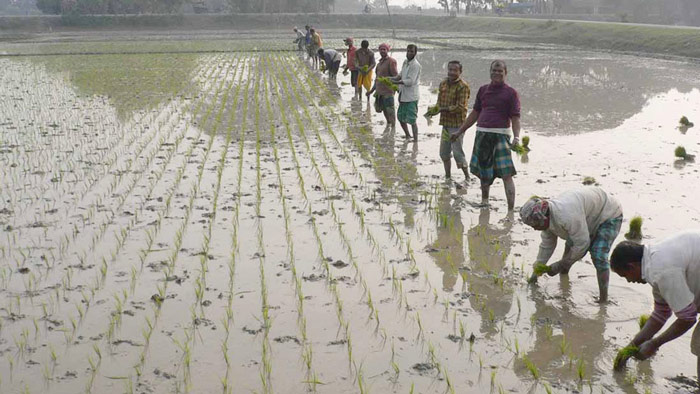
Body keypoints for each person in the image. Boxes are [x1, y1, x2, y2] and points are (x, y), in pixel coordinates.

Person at [611, 232, 700, 383]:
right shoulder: (653, 260)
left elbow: (687, 318)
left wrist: (654, 343)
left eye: (625, 276)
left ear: (631, 267)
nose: (629, 281)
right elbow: (661, 314)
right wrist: (630, 347)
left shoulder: (661, 270)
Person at [519, 187, 623, 302]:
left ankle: (603, 300)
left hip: (609, 214)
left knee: (598, 255)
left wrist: (559, 264)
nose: (534, 229)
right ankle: (564, 281)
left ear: (544, 218)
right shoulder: (547, 219)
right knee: (570, 247)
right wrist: (535, 275)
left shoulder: (567, 216)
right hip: (587, 216)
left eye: (535, 225)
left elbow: (582, 245)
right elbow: (547, 246)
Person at [456, 60, 520, 210]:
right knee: (484, 173)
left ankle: (511, 209)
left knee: (506, 173)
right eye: (494, 70)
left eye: (500, 71)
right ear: (490, 72)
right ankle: (485, 202)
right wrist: (460, 130)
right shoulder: (483, 90)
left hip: (501, 136)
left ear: (505, 73)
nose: (497, 73)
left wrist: (516, 137)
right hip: (482, 134)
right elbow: (475, 113)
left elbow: (516, 117)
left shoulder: (511, 93)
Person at [436, 60, 470, 182]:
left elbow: (461, 107)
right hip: (446, 124)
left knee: (457, 153)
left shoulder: (463, 86)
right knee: (444, 153)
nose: (452, 72)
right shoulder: (443, 83)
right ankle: (448, 176)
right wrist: (435, 109)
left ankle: (467, 177)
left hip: (457, 126)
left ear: (460, 72)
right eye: (450, 69)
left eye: (455, 70)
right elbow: (439, 101)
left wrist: (443, 109)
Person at [392, 44, 421, 141]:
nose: (409, 53)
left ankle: (415, 140)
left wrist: (396, 82)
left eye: (411, 51)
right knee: (400, 117)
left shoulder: (415, 65)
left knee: (412, 119)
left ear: (415, 53)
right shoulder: (405, 62)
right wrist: (390, 79)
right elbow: (400, 75)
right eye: (408, 51)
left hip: (411, 97)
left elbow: (410, 81)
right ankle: (408, 135)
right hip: (403, 95)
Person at [367, 43, 398, 129]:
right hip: (380, 91)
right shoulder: (379, 63)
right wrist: (371, 90)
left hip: (388, 91)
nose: (382, 51)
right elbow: (377, 79)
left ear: (387, 50)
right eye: (381, 49)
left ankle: (393, 128)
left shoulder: (391, 61)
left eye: (384, 49)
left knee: (390, 109)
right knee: (383, 109)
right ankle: (388, 124)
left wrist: (394, 88)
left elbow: (396, 76)